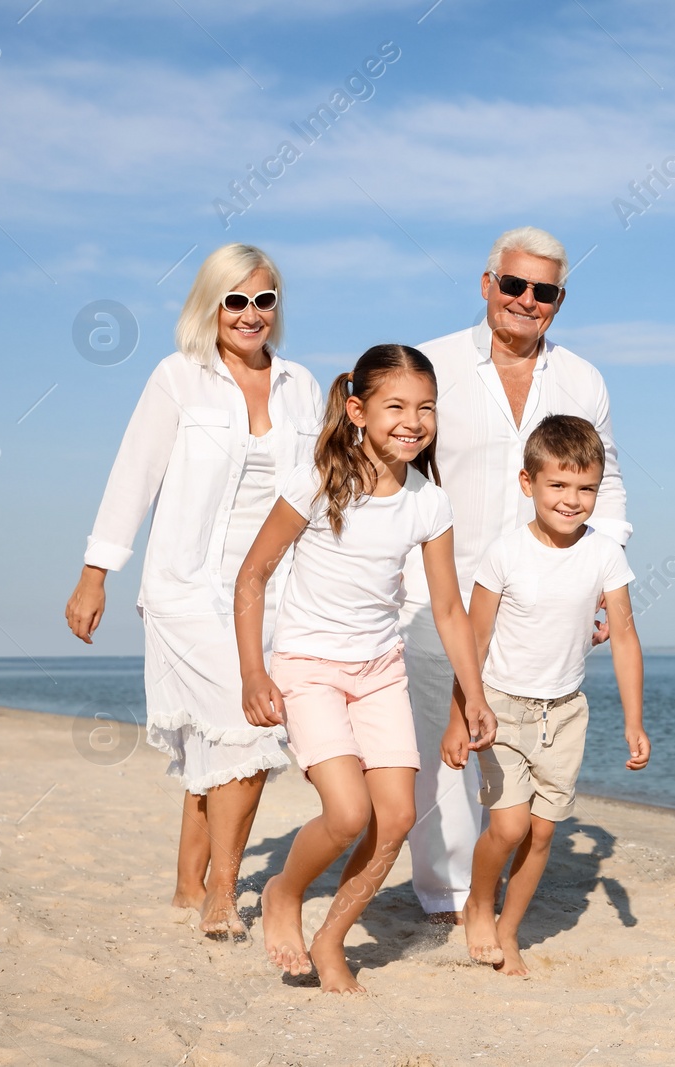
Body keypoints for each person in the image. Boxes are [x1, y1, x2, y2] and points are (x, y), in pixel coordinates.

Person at [64, 244, 322, 936]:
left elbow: (322, 490)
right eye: (234, 300)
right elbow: (134, 475)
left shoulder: (302, 385)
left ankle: (186, 882)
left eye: (263, 299)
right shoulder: (178, 377)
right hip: (186, 586)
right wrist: (96, 574)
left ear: (276, 307)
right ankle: (221, 893)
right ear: (210, 305)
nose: (249, 313)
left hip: (272, 589)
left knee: (222, 734)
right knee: (250, 723)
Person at [234, 344, 493, 994]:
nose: (413, 420)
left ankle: (331, 938)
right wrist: (252, 674)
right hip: (310, 669)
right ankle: (284, 891)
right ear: (358, 409)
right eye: (396, 406)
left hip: (380, 673)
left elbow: (449, 610)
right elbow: (253, 575)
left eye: (425, 407)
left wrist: (475, 696)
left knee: (397, 817)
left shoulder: (429, 502)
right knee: (348, 814)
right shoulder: (318, 482)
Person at [400, 226, 632, 922]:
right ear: (487, 284)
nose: (526, 301)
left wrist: (599, 574)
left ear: (558, 300)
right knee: (444, 749)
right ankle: (445, 894)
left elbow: (607, 483)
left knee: (512, 748)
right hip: (438, 592)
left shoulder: (582, 378)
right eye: (514, 285)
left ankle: (486, 885)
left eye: (545, 291)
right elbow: (394, 460)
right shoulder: (433, 365)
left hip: (543, 601)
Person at [461, 415, 649, 976]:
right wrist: (460, 715)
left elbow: (625, 637)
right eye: (558, 486)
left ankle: (509, 931)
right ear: (528, 484)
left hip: (565, 715)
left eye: (585, 488)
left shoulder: (605, 555)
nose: (572, 500)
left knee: (542, 833)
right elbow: (473, 639)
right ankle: (477, 902)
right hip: (500, 709)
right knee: (510, 828)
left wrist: (634, 721)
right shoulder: (504, 554)